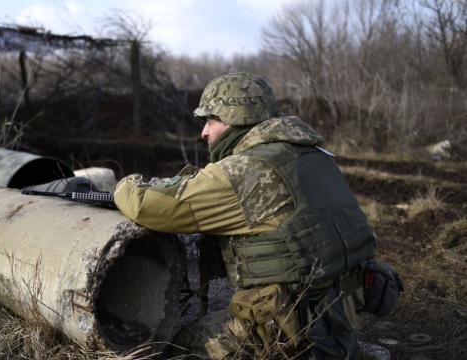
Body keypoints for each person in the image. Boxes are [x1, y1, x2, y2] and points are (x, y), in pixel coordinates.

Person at [114, 72, 377, 359]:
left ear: (233, 120)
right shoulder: (312, 154)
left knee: (177, 342)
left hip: (298, 330)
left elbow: (148, 207)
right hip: (342, 314)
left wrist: (123, 185)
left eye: (209, 121)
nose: (204, 133)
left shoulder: (245, 170)